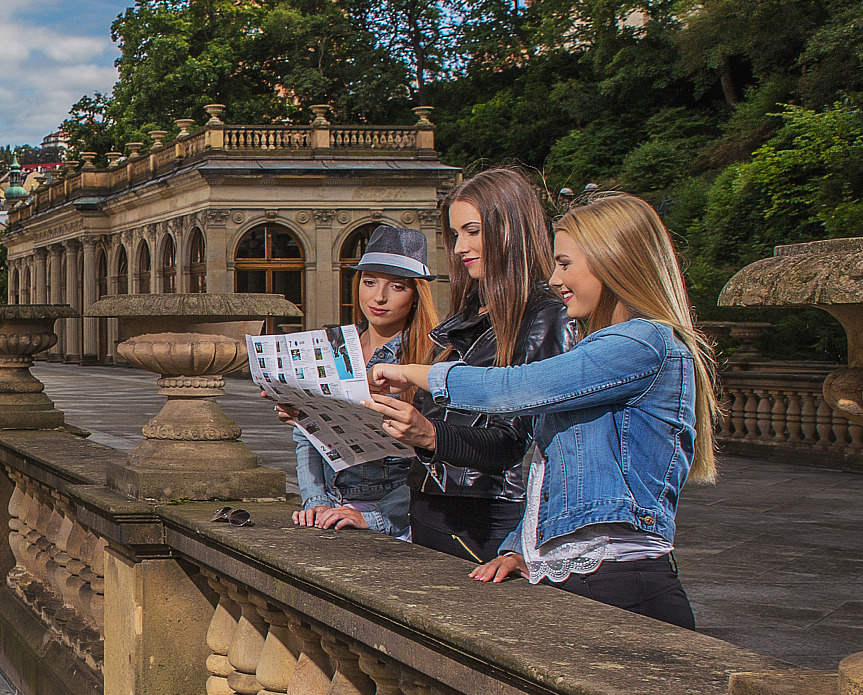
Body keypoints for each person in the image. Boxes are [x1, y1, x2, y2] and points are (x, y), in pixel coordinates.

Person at [371, 191, 717, 628]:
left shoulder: (643, 343)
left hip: (622, 582)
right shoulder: (604, 347)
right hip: (582, 576)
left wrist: (415, 373)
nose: (554, 279)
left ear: (613, 261)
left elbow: (514, 390)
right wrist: (523, 547)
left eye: (565, 263)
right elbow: (549, 470)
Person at [363, 170, 573, 562]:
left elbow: (516, 443)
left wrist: (430, 435)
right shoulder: (472, 313)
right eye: (456, 234)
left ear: (511, 229)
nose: (459, 247)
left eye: (472, 231)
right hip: (428, 502)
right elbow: (448, 416)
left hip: (488, 515)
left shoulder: (546, 317)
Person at [283, 224, 438, 536]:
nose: (378, 297)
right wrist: (314, 501)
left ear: (416, 294)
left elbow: (438, 457)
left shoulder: (430, 359)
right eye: (369, 282)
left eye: (397, 287)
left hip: (394, 517)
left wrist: (376, 517)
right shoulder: (335, 346)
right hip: (329, 508)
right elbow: (308, 439)